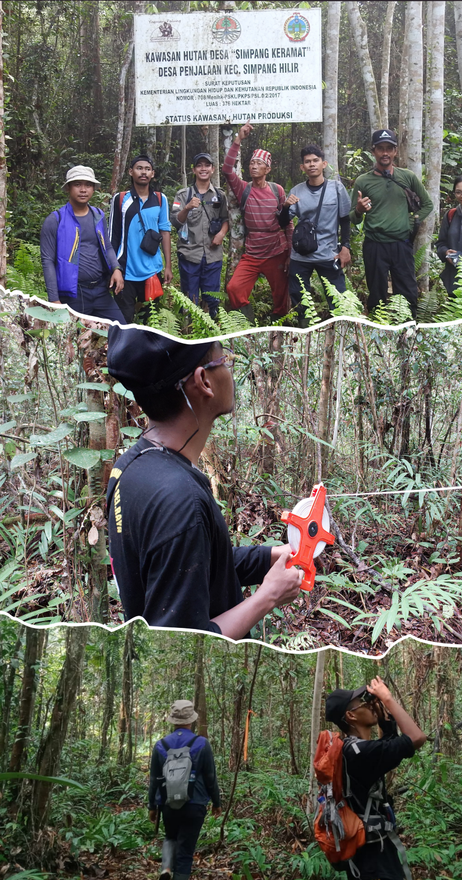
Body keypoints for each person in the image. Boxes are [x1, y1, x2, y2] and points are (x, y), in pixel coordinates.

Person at [106, 326, 303, 636]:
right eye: (223, 359)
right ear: (203, 381)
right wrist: (268, 598)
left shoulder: (130, 466)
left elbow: (193, 565)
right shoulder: (181, 500)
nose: (229, 368)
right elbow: (180, 644)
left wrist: (270, 556)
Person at [325, 676, 427, 880]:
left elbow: (387, 747)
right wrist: (387, 699)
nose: (371, 705)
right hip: (374, 859)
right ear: (351, 716)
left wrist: (383, 718)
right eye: (363, 703)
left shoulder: (352, 749)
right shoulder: (358, 753)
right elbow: (417, 738)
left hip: (369, 851)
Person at [349, 129, 432, 318]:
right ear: (373, 151)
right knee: (377, 293)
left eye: (389, 148)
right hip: (375, 245)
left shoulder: (407, 177)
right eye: (380, 148)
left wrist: (413, 220)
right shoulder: (363, 181)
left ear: (395, 152)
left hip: (401, 245)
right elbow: (352, 218)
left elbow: (427, 204)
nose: (385, 153)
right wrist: (360, 210)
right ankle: (377, 333)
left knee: (407, 292)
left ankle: (407, 333)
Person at [221, 120, 292, 323]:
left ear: (267, 169)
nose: (254, 166)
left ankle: (277, 327)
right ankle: (248, 322)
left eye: (259, 164)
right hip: (252, 253)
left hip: (276, 252)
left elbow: (287, 222)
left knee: (281, 295)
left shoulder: (277, 190)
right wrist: (238, 139)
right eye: (252, 163)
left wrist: (289, 252)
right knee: (233, 288)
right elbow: (227, 169)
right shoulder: (244, 188)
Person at [40, 166, 125, 322]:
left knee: (120, 330)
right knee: (75, 341)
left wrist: (116, 268)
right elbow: (47, 261)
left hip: (101, 290)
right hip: (73, 294)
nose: (83, 190)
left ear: (93, 189)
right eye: (77, 184)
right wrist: (54, 299)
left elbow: (107, 246)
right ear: (68, 187)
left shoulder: (98, 215)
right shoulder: (55, 220)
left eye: (88, 185)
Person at [278, 143, 351, 320]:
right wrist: (286, 206)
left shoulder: (336, 188)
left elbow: (345, 219)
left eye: (315, 161)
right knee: (299, 298)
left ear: (323, 164)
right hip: (301, 255)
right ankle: (305, 331)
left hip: (328, 254)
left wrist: (345, 247)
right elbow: (282, 222)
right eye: (307, 162)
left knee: (339, 298)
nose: (312, 164)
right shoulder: (297, 190)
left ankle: (338, 330)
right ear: (302, 167)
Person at [149, 699, 220, 880]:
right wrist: (216, 802)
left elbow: (155, 779)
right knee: (186, 851)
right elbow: (210, 777)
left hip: (168, 803)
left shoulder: (160, 745)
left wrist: (152, 806)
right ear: (191, 720)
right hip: (194, 804)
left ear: (173, 720)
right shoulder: (202, 743)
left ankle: (166, 868)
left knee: (170, 837)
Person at [109, 154, 173, 324]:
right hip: (125, 271)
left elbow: (165, 231)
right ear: (131, 172)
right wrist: (114, 268)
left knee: (150, 320)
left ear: (153, 174)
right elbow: (113, 236)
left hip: (152, 271)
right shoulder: (120, 199)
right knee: (124, 320)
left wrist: (168, 265)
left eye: (147, 169)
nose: (143, 172)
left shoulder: (160, 199)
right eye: (139, 168)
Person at [171, 152, 229, 319]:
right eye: (199, 165)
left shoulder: (220, 195)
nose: (203, 169)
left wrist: (221, 234)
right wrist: (187, 207)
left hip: (213, 256)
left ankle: (210, 334)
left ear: (212, 169)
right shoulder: (183, 195)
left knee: (212, 299)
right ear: (194, 170)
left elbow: (226, 218)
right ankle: (188, 333)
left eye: (207, 165)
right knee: (189, 300)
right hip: (190, 255)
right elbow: (176, 221)